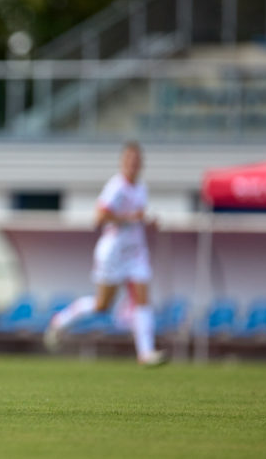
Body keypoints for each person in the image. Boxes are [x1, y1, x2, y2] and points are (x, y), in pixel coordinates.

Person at [44, 141, 167, 366]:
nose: (133, 165)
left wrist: (147, 222)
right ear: (122, 163)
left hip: (136, 252)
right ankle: (61, 321)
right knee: (102, 305)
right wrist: (131, 218)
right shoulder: (116, 187)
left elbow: (137, 218)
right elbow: (99, 218)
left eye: (136, 161)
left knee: (142, 299)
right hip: (113, 252)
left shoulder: (141, 188)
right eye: (129, 160)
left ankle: (146, 353)